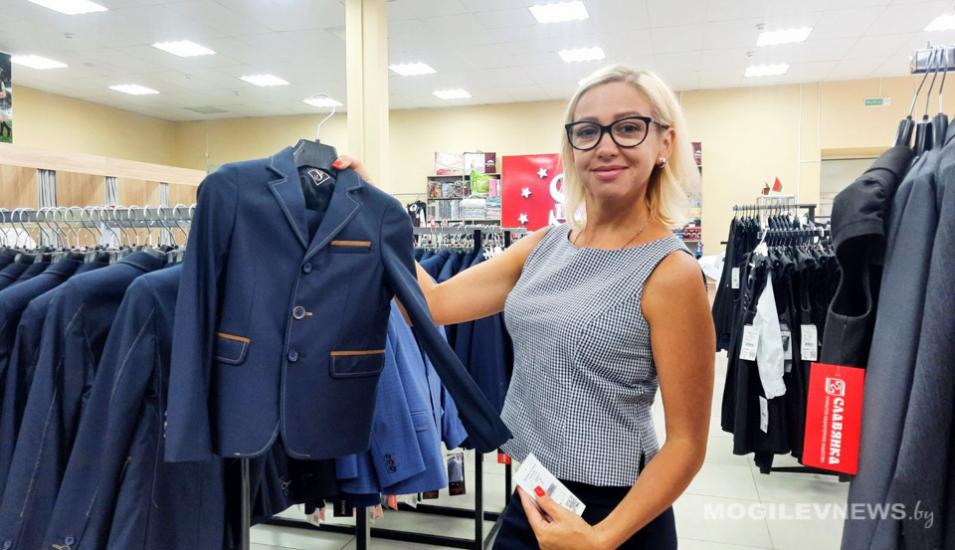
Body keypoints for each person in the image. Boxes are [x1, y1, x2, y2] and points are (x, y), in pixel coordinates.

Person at [335, 64, 714, 550]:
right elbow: (432, 303)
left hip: (614, 512)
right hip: (533, 489)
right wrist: (374, 209)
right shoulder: (545, 246)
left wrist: (600, 539)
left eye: (628, 127)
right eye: (587, 131)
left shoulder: (670, 272)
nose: (605, 146)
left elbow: (686, 444)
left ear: (664, 142)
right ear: (572, 147)